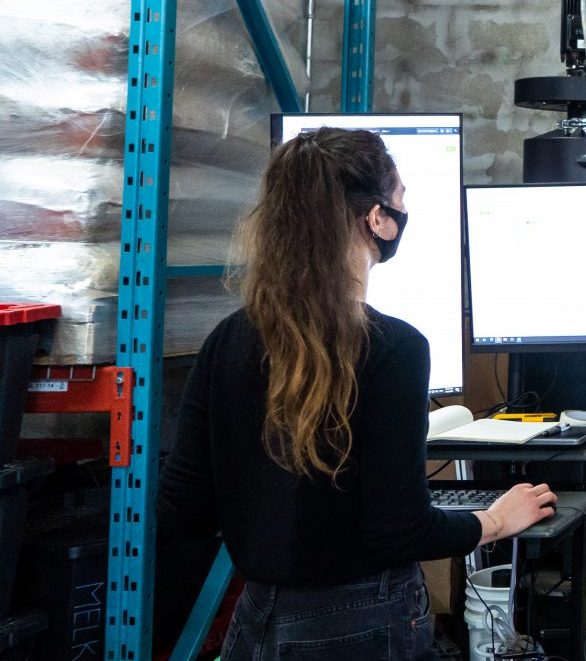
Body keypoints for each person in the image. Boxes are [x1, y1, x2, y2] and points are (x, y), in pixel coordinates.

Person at [158, 128, 554, 659]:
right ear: (376, 218)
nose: (402, 213)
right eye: (401, 198)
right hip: (362, 624)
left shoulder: (227, 339)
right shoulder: (393, 348)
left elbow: (183, 510)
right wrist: (496, 520)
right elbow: (401, 532)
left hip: (258, 619)